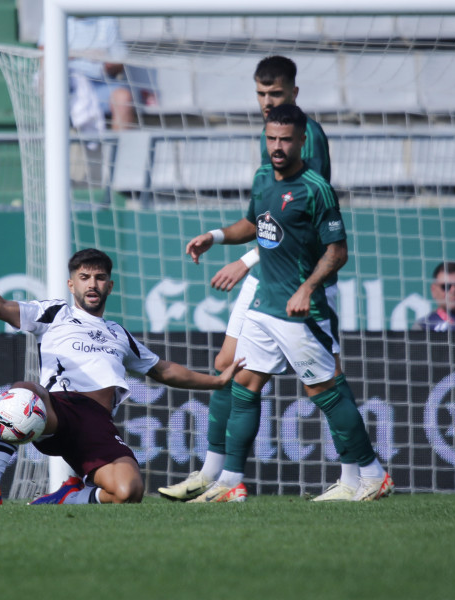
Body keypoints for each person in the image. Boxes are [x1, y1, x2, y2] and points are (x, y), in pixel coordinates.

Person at [159, 56, 368, 503]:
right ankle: (220, 475)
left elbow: (303, 226)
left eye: (276, 95)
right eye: (261, 95)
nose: (268, 105)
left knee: (324, 380)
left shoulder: (307, 142)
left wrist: (248, 260)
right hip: (269, 272)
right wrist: (218, 237)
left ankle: (360, 475)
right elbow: (266, 212)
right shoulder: (268, 144)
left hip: (292, 275)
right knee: (231, 369)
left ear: (294, 93)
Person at [0, 239, 243, 505]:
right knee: (21, 393)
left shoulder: (118, 333)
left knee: (129, 491)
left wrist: (216, 381)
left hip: (96, 425)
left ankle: (69, 496)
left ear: (110, 285)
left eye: (99, 277)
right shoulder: (55, 314)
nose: (92, 284)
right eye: (84, 277)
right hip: (57, 410)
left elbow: (164, 370)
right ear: (71, 284)